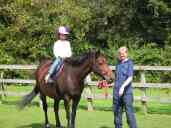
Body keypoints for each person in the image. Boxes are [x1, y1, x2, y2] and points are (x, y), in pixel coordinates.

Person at [113, 46, 137, 128]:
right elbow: (116, 78)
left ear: (126, 53)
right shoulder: (118, 63)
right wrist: (107, 82)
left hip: (127, 93)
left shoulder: (130, 63)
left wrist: (123, 87)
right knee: (117, 113)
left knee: (129, 113)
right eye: (120, 53)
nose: (121, 55)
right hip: (116, 92)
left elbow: (130, 77)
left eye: (123, 53)